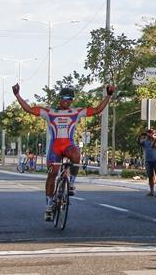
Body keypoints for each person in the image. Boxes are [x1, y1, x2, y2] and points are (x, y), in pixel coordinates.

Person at [12, 83, 114, 221]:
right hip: (55, 147)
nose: (67, 100)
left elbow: (97, 110)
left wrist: (108, 95)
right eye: (65, 97)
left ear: (72, 101)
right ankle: (48, 206)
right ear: (60, 98)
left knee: (76, 154)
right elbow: (29, 109)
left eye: (70, 98)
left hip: (68, 145)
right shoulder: (50, 112)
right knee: (52, 175)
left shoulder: (76, 112)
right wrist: (17, 95)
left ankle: (71, 183)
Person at [138, 129, 156, 197]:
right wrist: (140, 136)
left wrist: (152, 136)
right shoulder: (145, 141)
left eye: (150, 133)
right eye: (148, 133)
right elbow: (138, 143)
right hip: (148, 160)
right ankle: (152, 191)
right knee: (150, 176)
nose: (148, 134)